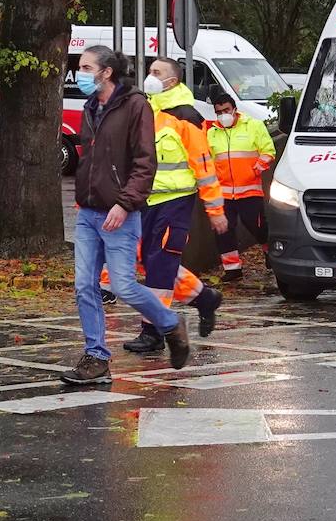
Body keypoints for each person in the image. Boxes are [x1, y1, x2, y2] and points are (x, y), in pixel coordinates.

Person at [63, 45, 189, 384]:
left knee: (123, 285)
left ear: (106, 72)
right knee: (84, 286)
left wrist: (124, 203)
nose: (81, 73)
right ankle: (96, 358)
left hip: (120, 212)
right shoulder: (91, 107)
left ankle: (170, 323)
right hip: (89, 213)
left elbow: (145, 163)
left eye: (87, 67)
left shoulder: (135, 106)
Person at [124, 57, 227, 355]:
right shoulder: (148, 111)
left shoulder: (186, 117)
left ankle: (153, 330)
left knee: (160, 266)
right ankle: (203, 297)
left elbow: (204, 167)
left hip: (176, 202)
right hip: (147, 201)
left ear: (173, 80)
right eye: (150, 71)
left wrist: (215, 211)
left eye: (157, 72)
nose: (150, 77)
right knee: (151, 260)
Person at [205, 90, 277, 280]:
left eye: (226, 110)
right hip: (224, 193)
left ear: (235, 109)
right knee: (223, 231)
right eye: (218, 112)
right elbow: (208, 162)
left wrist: (255, 170)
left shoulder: (253, 126)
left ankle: (271, 253)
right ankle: (232, 269)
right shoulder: (212, 133)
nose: (223, 115)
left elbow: (268, 151)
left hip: (249, 190)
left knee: (258, 226)